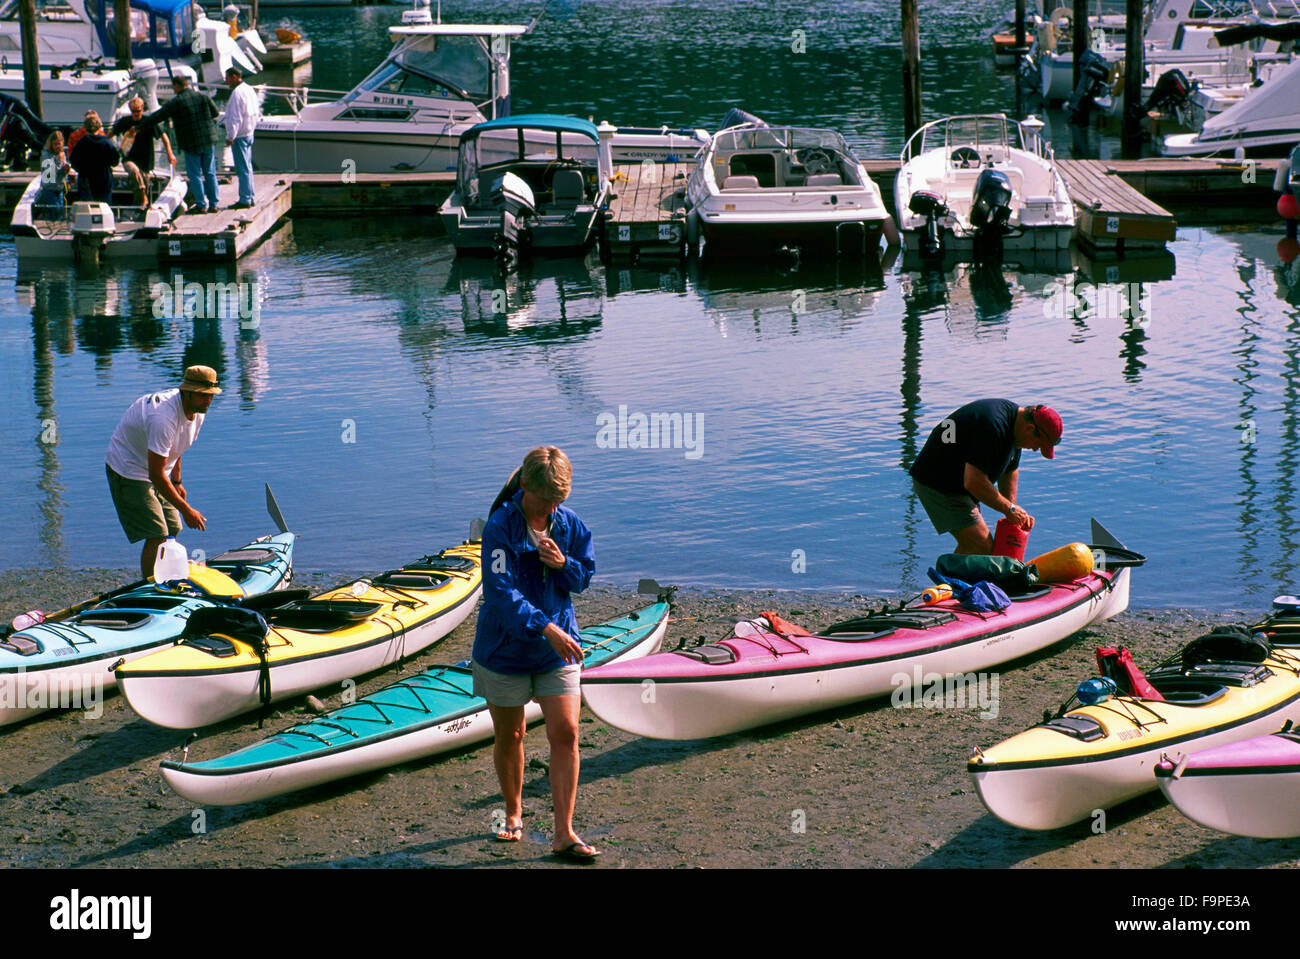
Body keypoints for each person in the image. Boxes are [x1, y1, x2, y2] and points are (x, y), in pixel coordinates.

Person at [473, 447, 600, 862]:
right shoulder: (499, 528)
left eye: (557, 500)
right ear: (525, 485)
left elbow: (583, 578)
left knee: (566, 733)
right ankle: (513, 811)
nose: (550, 507)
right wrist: (546, 628)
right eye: (544, 499)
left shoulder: (571, 525)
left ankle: (564, 832)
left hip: (555, 651)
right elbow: (500, 594)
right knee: (511, 735)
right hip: (505, 650)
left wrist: (563, 564)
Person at [105, 366, 221, 578]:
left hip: (155, 468)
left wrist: (177, 481)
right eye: (203, 396)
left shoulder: (197, 411)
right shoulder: (163, 417)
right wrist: (187, 510)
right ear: (186, 392)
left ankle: (165, 575)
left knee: (173, 528)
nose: (208, 401)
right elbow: (155, 474)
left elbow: (176, 447)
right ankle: (151, 586)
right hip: (128, 468)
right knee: (157, 532)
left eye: (211, 395)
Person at [908, 399, 1063, 555]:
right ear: (1030, 428)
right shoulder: (993, 426)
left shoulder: (1016, 426)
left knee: (978, 546)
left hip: (960, 482)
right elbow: (974, 482)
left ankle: (953, 577)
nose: (1035, 449)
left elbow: (1010, 470)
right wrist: (1009, 509)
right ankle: (948, 578)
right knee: (981, 546)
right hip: (938, 481)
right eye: (1038, 445)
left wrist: (1013, 513)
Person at [142, 75, 221, 214]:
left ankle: (202, 205)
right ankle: (214, 204)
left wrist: (141, 125)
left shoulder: (177, 102)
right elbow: (214, 113)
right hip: (208, 139)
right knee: (210, 172)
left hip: (191, 143)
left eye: (173, 87)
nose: (173, 89)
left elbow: (158, 116)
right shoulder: (203, 96)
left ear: (177, 85)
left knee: (195, 174)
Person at [112, 96, 177, 205]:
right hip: (129, 157)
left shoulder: (149, 121)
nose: (135, 113)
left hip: (145, 159)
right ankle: (143, 197)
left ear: (142, 108)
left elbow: (164, 137)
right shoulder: (125, 121)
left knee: (145, 183)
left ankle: (140, 206)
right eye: (133, 111)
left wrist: (170, 154)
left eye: (138, 111)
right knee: (133, 171)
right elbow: (111, 133)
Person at [223, 67, 260, 209]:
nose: (226, 82)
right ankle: (250, 196)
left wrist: (230, 136)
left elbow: (235, 118)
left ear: (234, 77)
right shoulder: (249, 89)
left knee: (242, 169)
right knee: (248, 167)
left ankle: (245, 199)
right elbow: (255, 111)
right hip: (249, 132)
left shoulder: (237, 93)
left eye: (227, 78)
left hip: (240, 135)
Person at [68, 112, 120, 203]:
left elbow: (73, 161)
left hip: (85, 180)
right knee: (104, 207)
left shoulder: (81, 143)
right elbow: (115, 161)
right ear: (99, 126)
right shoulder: (106, 143)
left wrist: (82, 169)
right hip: (104, 179)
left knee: (87, 207)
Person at [34, 130, 70, 217]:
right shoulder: (45, 155)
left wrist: (66, 170)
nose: (58, 146)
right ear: (51, 144)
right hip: (49, 189)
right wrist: (60, 161)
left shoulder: (61, 154)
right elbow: (49, 174)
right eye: (55, 144)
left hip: (59, 189)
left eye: (59, 144)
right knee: (55, 213)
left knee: (61, 213)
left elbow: (62, 168)